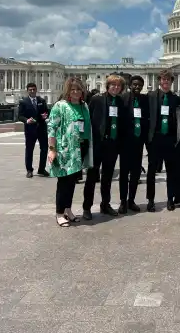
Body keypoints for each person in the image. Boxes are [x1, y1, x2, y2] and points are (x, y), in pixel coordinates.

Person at [47, 77, 93, 227]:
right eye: (72, 89)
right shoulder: (60, 106)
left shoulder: (84, 105)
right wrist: (52, 149)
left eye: (78, 89)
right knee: (63, 182)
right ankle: (59, 213)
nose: (75, 92)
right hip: (65, 150)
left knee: (73, 182)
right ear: (68, 90)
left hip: (80, 149)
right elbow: (51, 128)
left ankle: (68, 210)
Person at [82, 74, 125, 220]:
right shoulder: (97, 99)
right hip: (97, 143)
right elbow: (88, 119)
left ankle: (105, 204)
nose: (116, 87)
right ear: (107, 86)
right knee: (92, 176)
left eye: (118, 86)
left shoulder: (120, 101)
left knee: (107, 177)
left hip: (112, 144)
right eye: (113, 85)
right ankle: (86, 207)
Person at [146, 69, 180, 212]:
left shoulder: (175, 98)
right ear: (159, 81)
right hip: (155, 138)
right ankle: (151, 200)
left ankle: (170, 199)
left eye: (168, 80)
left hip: (169, 139)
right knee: (151, 171)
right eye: (163, 79)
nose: (165, 82)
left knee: (171, 171)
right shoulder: (150, 96)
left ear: (172, 82)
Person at [119, 75, 149, 213]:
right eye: (135, 85)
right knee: (124, 173)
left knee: (135, 173)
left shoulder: (144, 99)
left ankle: (131, 200)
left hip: (138, 141)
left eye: (140, 85)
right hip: (125, 141)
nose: (137, 87)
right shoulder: (122, 98)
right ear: (130, 85)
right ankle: (123, 201)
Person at [18, 83, 49, 178]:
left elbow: (46, 111)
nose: (32, 91)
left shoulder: (42, 100)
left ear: (36, 90)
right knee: (29, 150)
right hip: (30, 129)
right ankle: (29, 170)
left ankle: (41, 169)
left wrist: (45, 115)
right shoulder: (23, 102)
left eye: (34, 89)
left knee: (44, 149)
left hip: (42, 128)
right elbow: (19, 116)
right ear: (27, 90)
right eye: (30, 89)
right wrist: (27, 120)